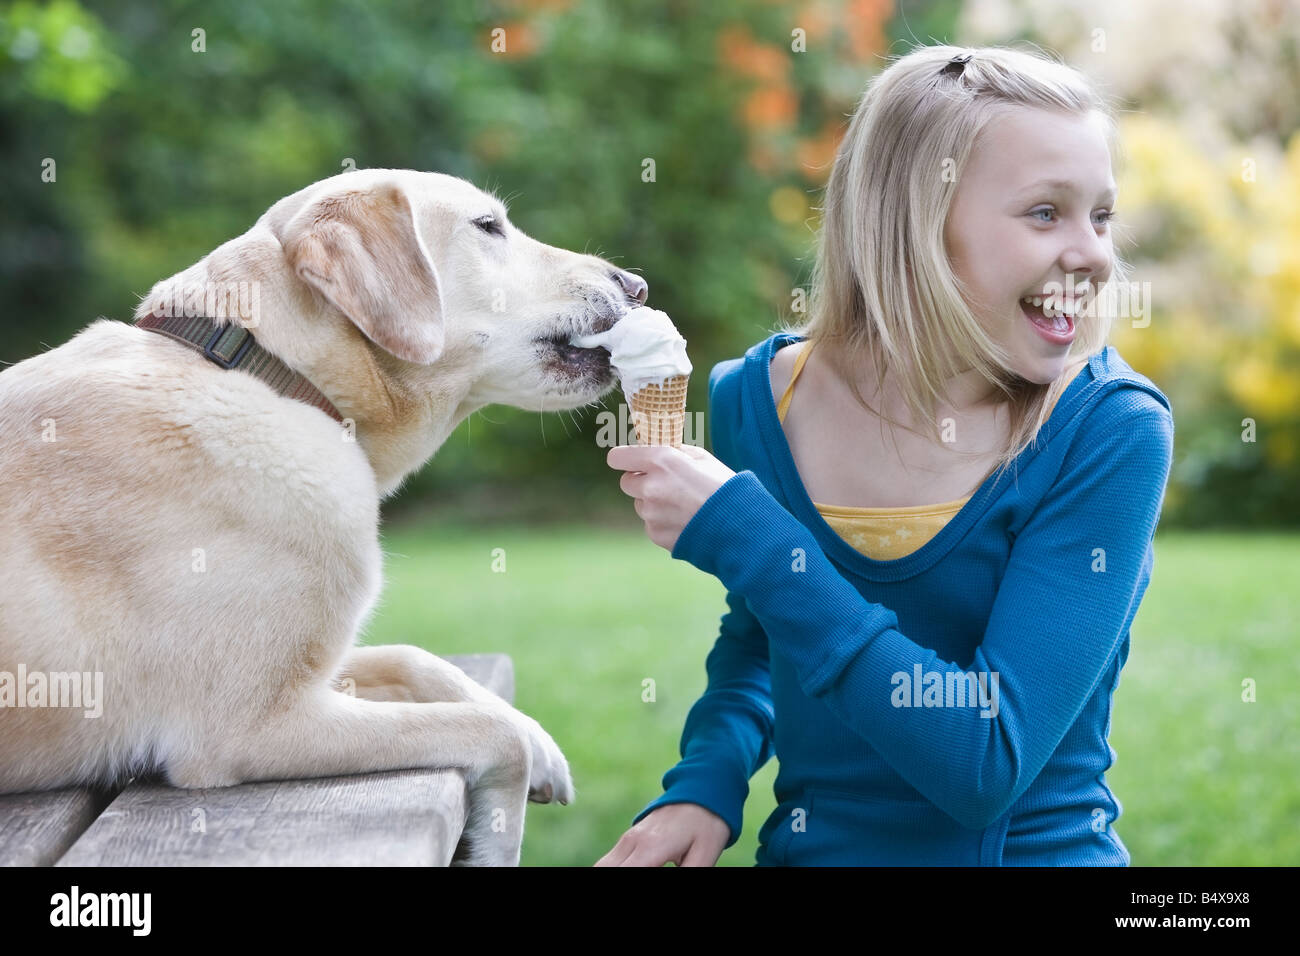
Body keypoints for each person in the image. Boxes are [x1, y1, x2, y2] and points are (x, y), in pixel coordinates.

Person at [594, 43, 1174, 867]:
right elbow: (764, 639)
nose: (1092, 253)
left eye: (1101, 215)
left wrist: (756, 540)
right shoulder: (758, 402)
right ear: (914, 223)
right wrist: (706, 780)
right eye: (1046, 213)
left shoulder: (1107, 432)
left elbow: (986, 762)